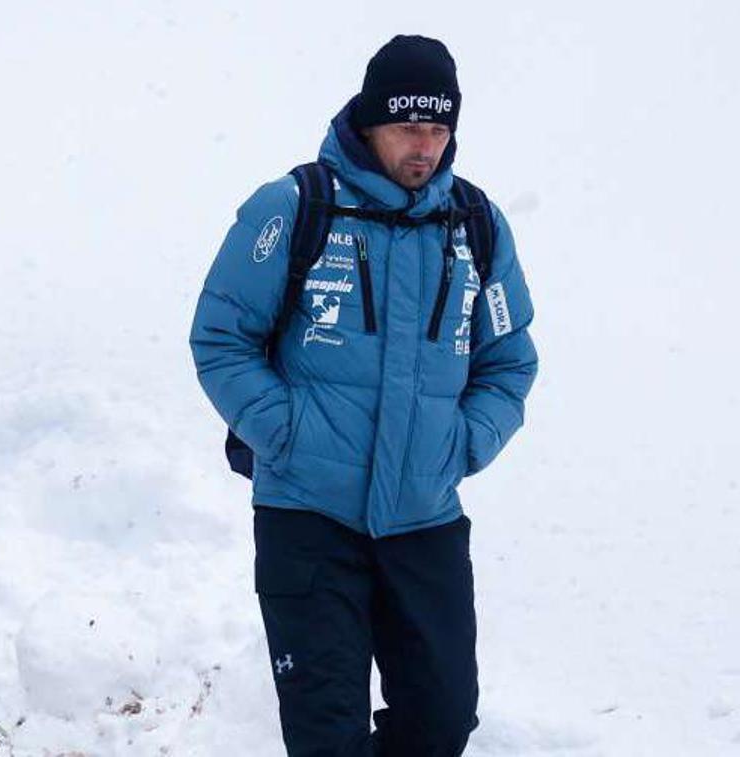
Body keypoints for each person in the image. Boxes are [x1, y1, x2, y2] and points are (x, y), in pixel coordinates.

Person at [189, 34, 538, 756]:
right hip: (307, 519)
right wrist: (286, 433)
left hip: (424, 519)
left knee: (442, 720)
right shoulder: (293, 208)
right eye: (410, 127)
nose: (426, 147)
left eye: (440, 129)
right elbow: (220, 339)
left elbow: (510, 360)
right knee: (327, 735)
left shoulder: (475, 227)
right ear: (369, 121)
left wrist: (464, 445)